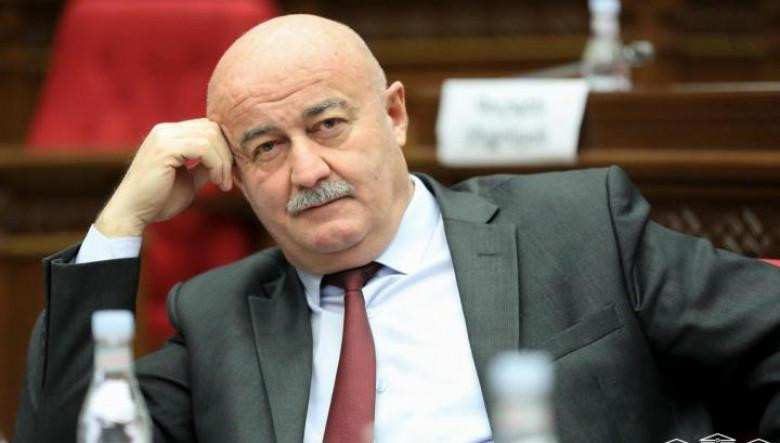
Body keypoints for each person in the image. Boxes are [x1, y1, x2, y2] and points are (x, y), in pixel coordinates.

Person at [12, 14, 780, 443]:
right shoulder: (217, 318)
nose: (307, 169)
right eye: (266, 147)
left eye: (328, 124)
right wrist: (120, 222)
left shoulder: (579, 227)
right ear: (233, 176)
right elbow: (66, 434)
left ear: (395, 115)